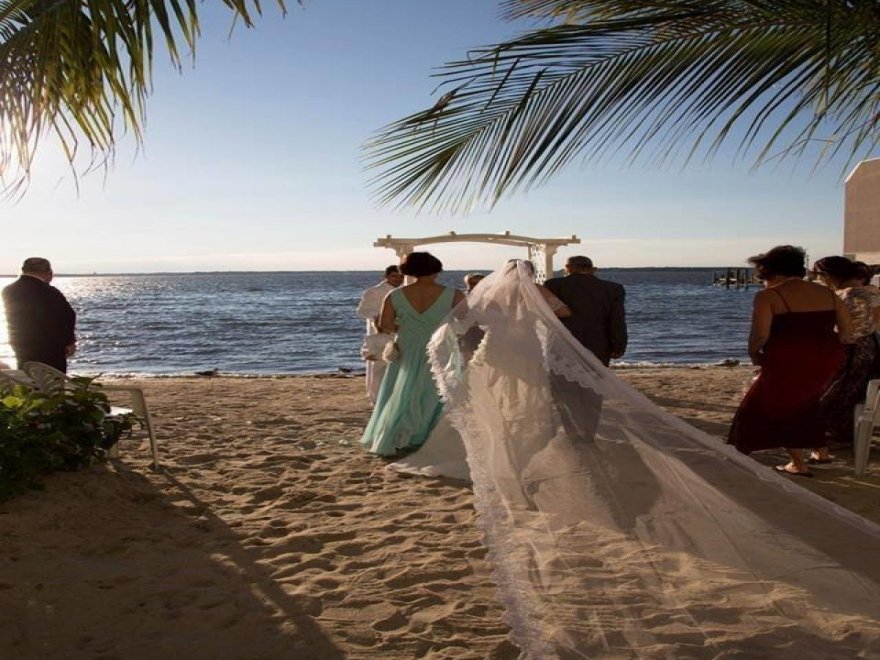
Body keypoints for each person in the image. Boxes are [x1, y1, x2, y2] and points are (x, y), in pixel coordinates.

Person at [383, 258, 880, 657]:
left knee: (506, 412)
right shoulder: (540, 295)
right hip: (526, 357)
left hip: (498, 355)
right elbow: (559, 317)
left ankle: (509, 458)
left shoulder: (482, 299)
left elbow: (462, 323)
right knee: (530, 412)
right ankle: (526, 456)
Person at [727, 246, 850, 475]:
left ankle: (797, 463)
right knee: (807, 400)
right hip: (826, 356)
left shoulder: (770, 296)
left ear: (771, 271)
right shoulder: (828, 294)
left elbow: (760, 334)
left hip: (788, 356)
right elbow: (847, 332)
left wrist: (755, 354)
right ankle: (820, 452)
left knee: (769, 405)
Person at [360, 252, 465, 456]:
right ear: (436, 268)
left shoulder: (395, 295)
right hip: (439, 345)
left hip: (407, 346)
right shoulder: (454, 294)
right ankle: (427, 435)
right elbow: (464, 321)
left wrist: (406, 327)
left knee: (402, 389)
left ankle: (399, 433)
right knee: (434, 389)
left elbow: (385, 325)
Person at [812, 256, 878, 457]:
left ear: (830, 275)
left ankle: (838, 437)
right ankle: (837, 435)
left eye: (820, 275)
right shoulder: (854, 292)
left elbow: (853, 328)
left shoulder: (851, 294)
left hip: (853, 350)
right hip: (856, 347)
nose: (820, 279)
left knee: (836, 393)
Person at [543, 255, 627, 365]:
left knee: (562, 380)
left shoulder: (553, 285)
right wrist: (619, 347)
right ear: (593, 269)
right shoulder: (613, 288)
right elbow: (617, 320)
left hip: (563, 342)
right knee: (595, 380)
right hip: (598, 344)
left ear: (569, 268)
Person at [2, 257, 77, 373]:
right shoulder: (50, 292)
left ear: (23, 269)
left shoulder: (8, 290)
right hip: (50, 346)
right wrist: (70, 341)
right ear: (48, 272)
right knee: (52, 379)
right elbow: (68, 315)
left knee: (27, 376)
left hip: (21, 343)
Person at [356, 265, 404, 403]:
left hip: (397, 330)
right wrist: (379, 317)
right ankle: (375, 397)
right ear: (386, 276)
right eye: (394, 276)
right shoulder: (374, 291)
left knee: (396, 361)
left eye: (401, 276)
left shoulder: (404, 291)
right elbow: (361, 311)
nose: (398, 279)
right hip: (378, 331)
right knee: (378, 364)